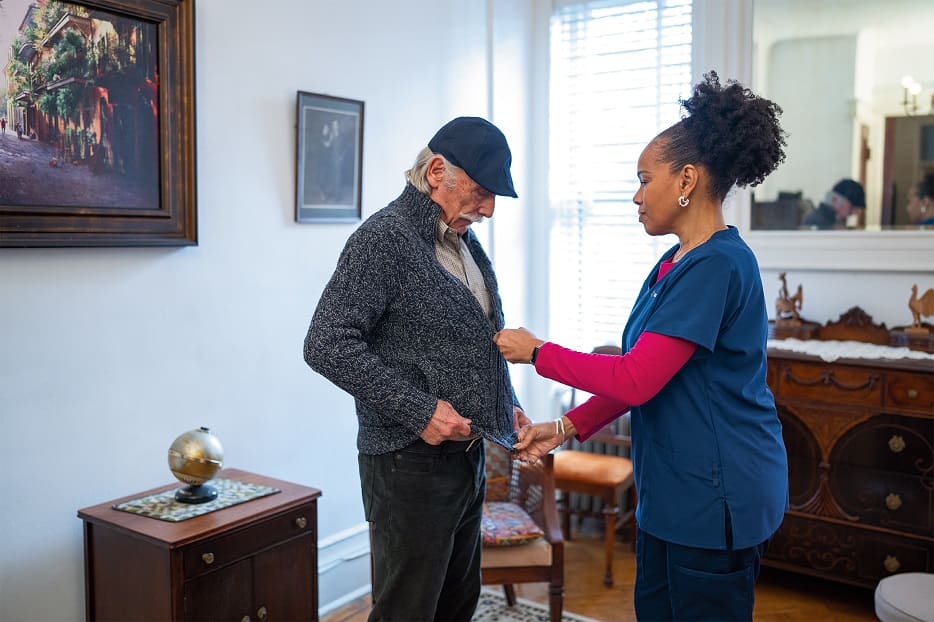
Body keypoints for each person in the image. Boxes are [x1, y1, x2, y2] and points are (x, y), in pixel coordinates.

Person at [493, 72, 790, 622]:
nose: (635, 195)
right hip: (674, 492)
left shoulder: (717, 264)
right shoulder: (673, 263)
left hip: (717, 494)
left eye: (643, 178)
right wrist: (563, 428)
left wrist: (538, 352)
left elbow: (634, 379)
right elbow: (642, 376)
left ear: (687, 179)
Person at [304, 116, 528, 622]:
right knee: (407, 613)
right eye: (481, 191)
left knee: (456, 607)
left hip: (465, 463)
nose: (490, 208)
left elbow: (478, 342)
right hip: (407, 466)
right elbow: (325, 343)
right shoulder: (383, 239)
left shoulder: (464, 242)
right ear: (436, 173)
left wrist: (506, 404)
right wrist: (421, 410)